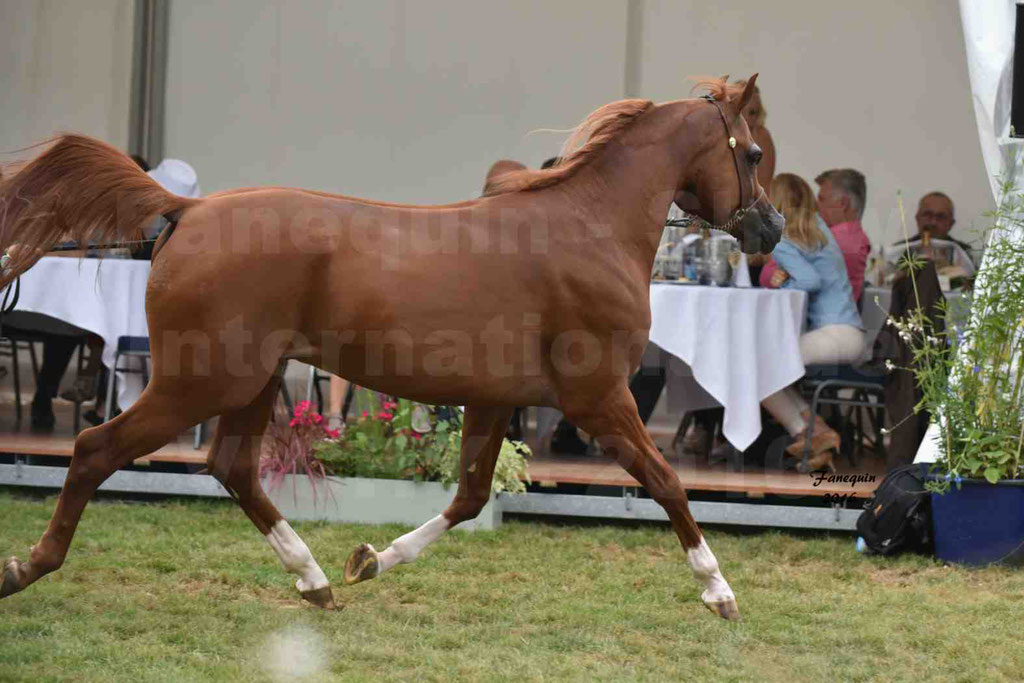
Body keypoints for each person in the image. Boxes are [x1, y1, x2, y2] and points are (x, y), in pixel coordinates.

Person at [759, 173, 866, 472]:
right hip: (851, 335)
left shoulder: (783, 238)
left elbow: (810, 280)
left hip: (832, 336)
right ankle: (816, 434)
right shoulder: (820, 230)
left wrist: (780, 290)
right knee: (767, 368)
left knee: (755, 368)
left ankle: (808, 431)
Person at [814, 168, 871, 303]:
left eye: (822, 199)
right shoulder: (855, 238)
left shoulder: (835, 241)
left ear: (843, 203)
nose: (816, 206)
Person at [892, 191, 975, 268]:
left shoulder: (965, 253)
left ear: (951, 223)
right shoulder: (898, 250)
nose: (933, 222)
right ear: (917, 219)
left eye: (941, 216)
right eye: (927, 215)